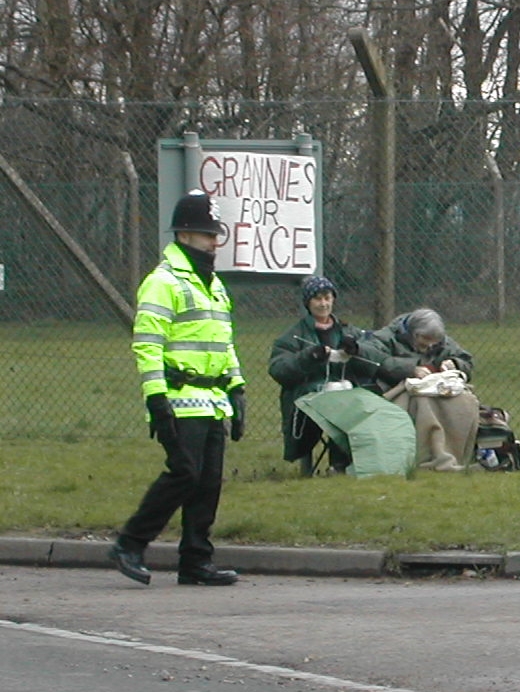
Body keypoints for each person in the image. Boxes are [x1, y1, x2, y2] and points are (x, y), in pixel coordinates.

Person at [107, 191, 244, 587]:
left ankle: (196, 560)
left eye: (216, 234)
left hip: (213, 399)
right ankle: (130, 543)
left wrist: (236, 387)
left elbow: (223, 339)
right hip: (179, 398)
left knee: (208, 481)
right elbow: (147, 345)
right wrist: (156, 399)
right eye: (207, 234)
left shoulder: (213, 285)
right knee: (184, 474)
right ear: (185, 234)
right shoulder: (163, 282)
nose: (214, 242)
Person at [268, 274, 372, 475]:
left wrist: (357, 350)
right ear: (308, 303)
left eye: (328, 297)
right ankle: (333, 464)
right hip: (309, 398)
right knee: (336, 406)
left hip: (348, 393)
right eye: (318, 298)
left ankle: (347, 464)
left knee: (357, 402)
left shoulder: (349, 331)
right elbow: (279, 368)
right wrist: (308, 357)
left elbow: (375, 358)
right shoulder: (294, 335)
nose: (324, 304)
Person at [367, 308, 480, 472]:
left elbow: (466, 360)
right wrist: (411, 369)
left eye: (433, 344)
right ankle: (427, 458)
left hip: (436, 390)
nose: (428, 347)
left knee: (465, 401)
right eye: (424, 342)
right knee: (424, 404)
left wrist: (454, 363)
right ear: (413, 333)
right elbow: (371, 357)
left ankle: (455, 455)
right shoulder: (386, 337)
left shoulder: (441, 341)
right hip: (399, 390)